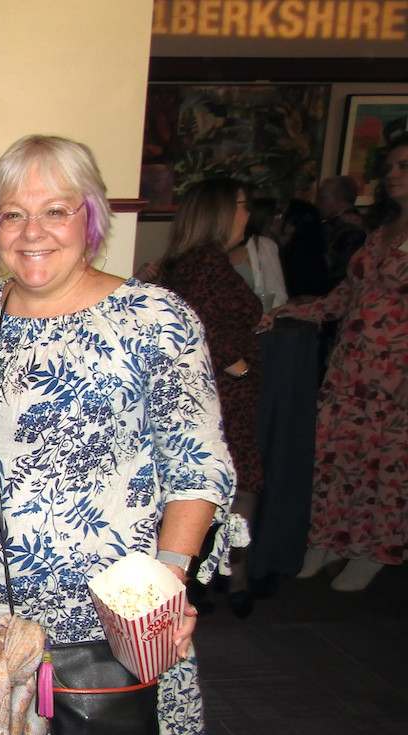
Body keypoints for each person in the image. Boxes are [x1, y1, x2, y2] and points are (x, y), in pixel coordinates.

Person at [0, 136, 237, 734]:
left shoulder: (154, 318)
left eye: (55, 210)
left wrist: (167, 584)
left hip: (101, 619)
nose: (32, 231)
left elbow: (198, 466)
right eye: (12, 214)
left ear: (90, 216)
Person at [284, 137, 408, 592]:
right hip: (350, 364)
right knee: (336, 456)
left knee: (383, 464)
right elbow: (348, 295)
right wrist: (301, 310)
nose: (392, 174)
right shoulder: (382, 228)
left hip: (395, 372)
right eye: (389, 167)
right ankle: (327, 541)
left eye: (403, 166)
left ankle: (371, 551)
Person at [159, 178, 263, 617]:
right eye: (241, 204)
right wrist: (237, 364)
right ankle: (222, 580)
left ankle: (220, 577)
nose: (247, 213)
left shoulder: (192, 261)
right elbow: (193, 324)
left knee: (223, 482)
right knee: (231, 481)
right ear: (219, 211)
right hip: (220, 394)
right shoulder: (204, 262)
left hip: (216, 392)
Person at [239, 196, 288, 310]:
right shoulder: (264, 245)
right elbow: (277, 295)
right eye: (279, 215)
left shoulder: (267, 244)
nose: (283, 220)